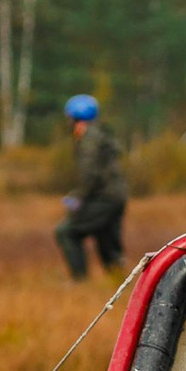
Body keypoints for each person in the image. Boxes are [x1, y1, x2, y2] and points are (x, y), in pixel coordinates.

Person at [54, 93, 128, 281]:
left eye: (70, 118)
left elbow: (90, 174)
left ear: (76, 118)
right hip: (116, 197)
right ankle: (120, 284)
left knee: (66, 232)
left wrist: (77, 197)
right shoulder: (101, 135)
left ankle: (79, 281)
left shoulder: (89, 139)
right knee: (107, 243)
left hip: (104, 199)